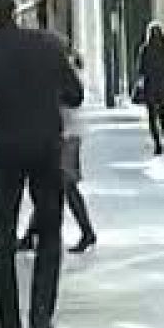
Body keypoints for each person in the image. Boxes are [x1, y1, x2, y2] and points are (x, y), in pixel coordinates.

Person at [0, 0, 84, 328]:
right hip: (45, 148)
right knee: (49, 233)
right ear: (15, 5)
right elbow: (75, 93)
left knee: (2, 242)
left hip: (2, 152)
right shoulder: (46, 45)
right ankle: (42, 319)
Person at [20, 53, 97, 254]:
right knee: (55, 187)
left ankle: (86, 232)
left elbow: (65, 102)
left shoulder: (61, 76)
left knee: (64, 186)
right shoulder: (62, 72)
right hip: (65, 135)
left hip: (67, 136)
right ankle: (31, 235)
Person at [136, 21, 164, 155]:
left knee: (152, 117)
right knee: (162, 114)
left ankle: (157, 144)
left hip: (151, 86)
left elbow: (140, 69)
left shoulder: (145, 49)